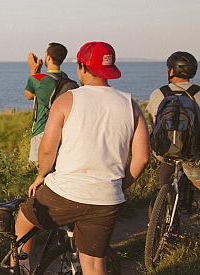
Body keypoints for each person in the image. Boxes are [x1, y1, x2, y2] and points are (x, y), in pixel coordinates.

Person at [13, 42, 150, 274]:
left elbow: (47, 150)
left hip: (65, 193)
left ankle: (20, 269)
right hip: (106, 199)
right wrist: (119, 186)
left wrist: (41, 175)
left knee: (24, 221)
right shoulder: (131, 106)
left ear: (81, 67)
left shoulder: (67, 101)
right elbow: (142, 158)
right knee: (94, 262)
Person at [145, 51, 200, 192]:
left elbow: (153, 122)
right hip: (190, 152)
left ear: (172, 70)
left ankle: (161, 189)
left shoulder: (159, 93)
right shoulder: (198, 93)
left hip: (164, 149)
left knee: (167, 158)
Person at [24, 43, 69, 167]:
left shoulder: (38, 79)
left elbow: (28, 95)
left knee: (42, 170)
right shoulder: (65, 78)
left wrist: (33, 69)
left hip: (41, 130)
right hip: (60, 130)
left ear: (48, 58)